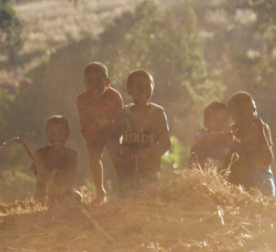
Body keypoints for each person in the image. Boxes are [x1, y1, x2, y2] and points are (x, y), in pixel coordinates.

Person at [110, 69, 171, 193]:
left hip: (149, 169)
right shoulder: (123, 114)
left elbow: (165, 142)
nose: (143, 90)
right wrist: (120, 150)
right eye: (138, 87)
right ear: (129, 90)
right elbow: (112, 139)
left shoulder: (158, 113)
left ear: (153, 88)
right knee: (126, 198)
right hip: (127, 169)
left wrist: (151, 152)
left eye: (148, 86)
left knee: (148, 199)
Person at [75, 62, 124, 203]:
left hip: (112, 131)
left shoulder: (114, 97)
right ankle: (99, 192)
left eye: (99, 82)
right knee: (93, 159)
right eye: (89, 83)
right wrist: (95, 128)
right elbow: (85, 123)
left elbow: (121, 120)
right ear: (84, 83)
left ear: (107, 82)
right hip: (93, 133)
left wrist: (111, 128)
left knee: (117, 156)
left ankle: (123, 188)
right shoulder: (81, 99)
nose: (94, 87)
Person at [227, 91, 276, 197]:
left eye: (254, 110)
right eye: (247, 111)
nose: (253, 114)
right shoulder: (230, 131)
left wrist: (261, 134)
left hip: (262, 180)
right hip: (240, 182)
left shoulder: (262, 128)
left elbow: (268, 160)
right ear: (235, 114)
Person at [28, 115, 82, 207]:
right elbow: (38, 176)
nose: (57, 137)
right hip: (44, 196)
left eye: (61, 134)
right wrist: (42, 173)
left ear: (68, 134)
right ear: (46, 134)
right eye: (52, 134)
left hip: (64, 195)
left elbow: (70, 180)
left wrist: (56, 181)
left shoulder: (71, 156)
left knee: (77, 196)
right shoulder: (40, 153)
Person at [190, 101, 235, 172]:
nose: (221, 123)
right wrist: (222, 136)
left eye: (224, 119)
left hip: (223, 174)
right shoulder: (201, 134)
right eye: (216, 120)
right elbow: (201, 141)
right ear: (206, 123)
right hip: (204, 173)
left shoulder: (230, 139)